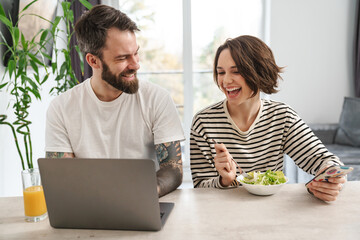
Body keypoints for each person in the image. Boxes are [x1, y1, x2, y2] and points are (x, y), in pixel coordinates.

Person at [45, 5, 185, 197]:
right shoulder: (61, 108)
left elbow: (173, 168)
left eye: (136, 53)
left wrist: (146, 192)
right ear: (93, 61)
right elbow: (62, 177)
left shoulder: (157, 99)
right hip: (90, 206)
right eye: (123, 58)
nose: (136, 64)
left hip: (143, 202)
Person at [190, 35, 345, 201]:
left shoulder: (282, 117)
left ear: (259, 71)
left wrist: (332, 179)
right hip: (223, 214)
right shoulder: (203, 123)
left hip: (273, 213)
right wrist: (224, 181)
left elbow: (324, 160)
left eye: (236, 71)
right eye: (221, 72)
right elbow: (200, 188)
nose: (226, 80)